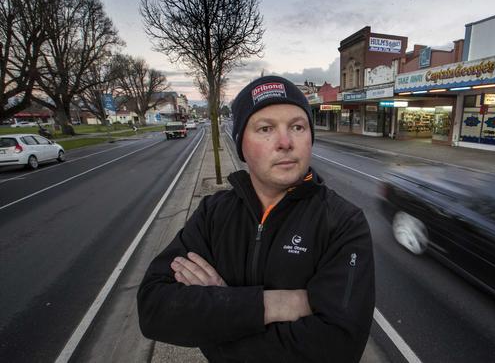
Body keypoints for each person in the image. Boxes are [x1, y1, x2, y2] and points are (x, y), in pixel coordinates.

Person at [137, 76, 375, 363]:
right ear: (241, 147)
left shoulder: (343, 223)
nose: (285, 142)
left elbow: (338, 348)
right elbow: (154, 308)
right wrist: (270, 304)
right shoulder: (214, 214)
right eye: (266, 129)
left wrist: (218, 317)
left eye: (297, 127)